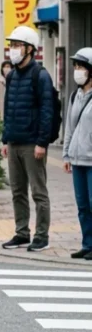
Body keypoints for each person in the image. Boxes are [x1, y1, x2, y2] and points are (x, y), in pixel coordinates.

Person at [0, 25, 54, 252]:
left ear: (30, 49)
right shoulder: (12, 76)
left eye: (17, 45)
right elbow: (8, 108)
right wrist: (5, 138)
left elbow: (47, 111)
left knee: (38, 192)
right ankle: (22, 233)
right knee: (17, 191)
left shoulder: (40, 75)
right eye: (11, 45)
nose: (13, 50)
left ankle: (42, 236)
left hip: (33, 144)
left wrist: (42, 142)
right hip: (14, 142)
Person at [63, 47, 92, 259]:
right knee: (82, 206)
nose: (77, 71)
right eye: (75, 66)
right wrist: (66, 155)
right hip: (77, 159)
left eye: (81, 66)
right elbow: (69, 128)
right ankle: (87, 244)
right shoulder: (75, 96)